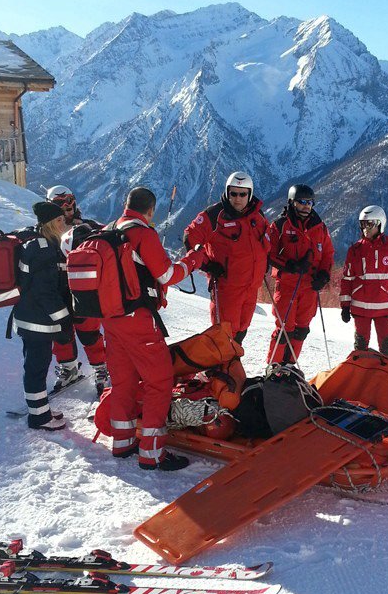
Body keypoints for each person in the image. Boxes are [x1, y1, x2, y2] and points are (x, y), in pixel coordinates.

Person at [102, 186, 205, 470]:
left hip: (111, 320)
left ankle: (122, 443)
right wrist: (194, 260)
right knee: (159, 382)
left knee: (123, 382)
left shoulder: (109, 230)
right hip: (138, 320)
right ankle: (152, 453)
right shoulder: (143, 234)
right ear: (150, 211)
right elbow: (168, 275)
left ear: (126, 204)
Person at [183, 171, 271, 344]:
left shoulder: (257, 216)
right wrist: (207, 265)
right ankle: (218, 369)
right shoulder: (215, 215)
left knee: (241, 331)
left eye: (242, 194)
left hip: (251, 286)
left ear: (250, 194)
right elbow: (190, 237)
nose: (237, 198)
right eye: (233, 193)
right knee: (223, 333)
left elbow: (267, 241)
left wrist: (266, 260)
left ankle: (231, 367)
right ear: (227, 192)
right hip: (226, 287)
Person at [12, 201, 72, 431]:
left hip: (30, 316)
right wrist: (64, 318)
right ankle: (39, 418)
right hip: (37, 321)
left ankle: (41, 409)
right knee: (36, 367)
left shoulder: (40, 244)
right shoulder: (44, 249)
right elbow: (45, 291)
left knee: (36, 365)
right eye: (59, 220)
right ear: (50, 223)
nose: (63, 222)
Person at [46, 185, 108, 395]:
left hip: (84, 290)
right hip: (58, 290)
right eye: (60, 202)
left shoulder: (89, 226)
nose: (67, 206)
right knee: (61, 333)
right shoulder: (46, 232)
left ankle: (102, 369)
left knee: (89, 332)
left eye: (70, 200)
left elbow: (110, 236)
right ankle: (68, 368)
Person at [266, 184, 334, 364]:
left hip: (310, 287)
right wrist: (290, 266)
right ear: (292, 202)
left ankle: (289, 366)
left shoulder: (320, 228)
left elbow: (328, 253)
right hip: (288, 285)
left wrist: (324, 275)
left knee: (302, 329)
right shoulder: (280, 225)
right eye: (302, 202)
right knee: (284, 330)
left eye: (310, 203)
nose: (306, 206)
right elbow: (269, 253)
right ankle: (274, 366)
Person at [339, 205, 388, 358]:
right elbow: (347, 280)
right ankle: (360, 380)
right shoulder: (355, 250)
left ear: (380, 224)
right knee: (360, 349)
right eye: (362, 224)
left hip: (385, 309)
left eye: (369, 223)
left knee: (387, 350)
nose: (365, 228)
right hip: (360, 309)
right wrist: (345, 306)